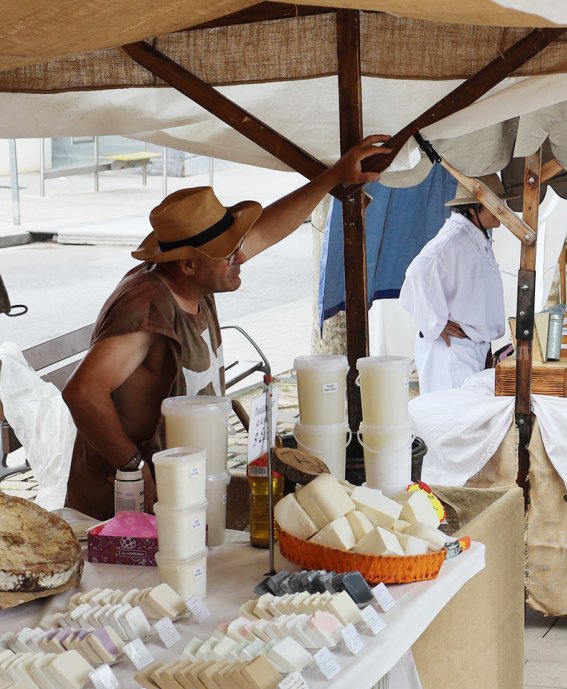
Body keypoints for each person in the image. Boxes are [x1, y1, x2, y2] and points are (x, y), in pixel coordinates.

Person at [62, 135, 390, 520]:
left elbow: (266, 230)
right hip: (126, 505)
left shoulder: (197, 278)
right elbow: (82, 393)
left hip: (181, 486)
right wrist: (133, 467)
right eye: (229, 252)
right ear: (188, 265)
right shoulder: (147, 305)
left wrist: (334, 176)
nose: (241, 255)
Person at [398, 174, 516, 394]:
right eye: (495, 204)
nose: (502, 209)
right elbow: (418, 271)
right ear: (472, 208)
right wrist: (435, 323)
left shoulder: (476, 236)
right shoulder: (454, 239)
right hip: (454, 353)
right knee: (453, 421)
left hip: (471, 349)